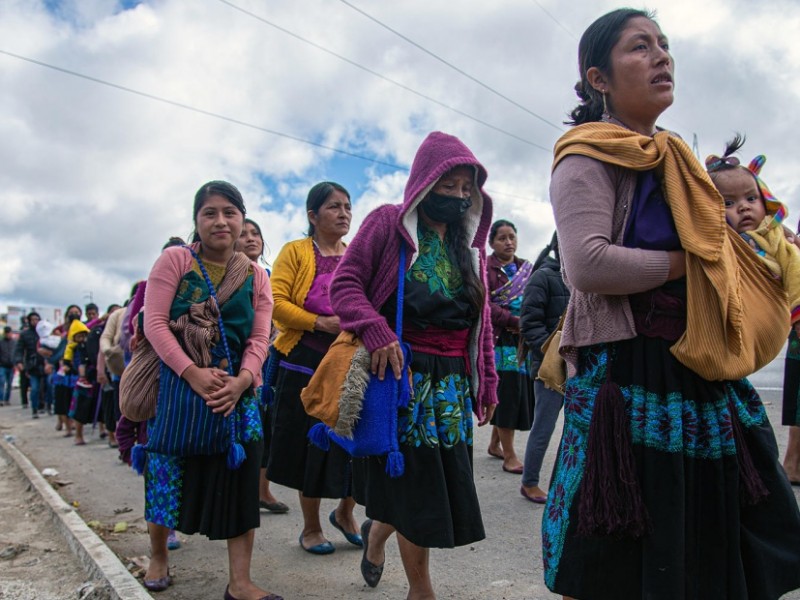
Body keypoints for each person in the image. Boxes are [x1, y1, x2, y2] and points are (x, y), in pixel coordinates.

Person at [542, 9, 800, 600]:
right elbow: (588, 264)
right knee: (627, 548)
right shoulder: (585, 154)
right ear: (598, 78)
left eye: (664, 44)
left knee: (706, 535)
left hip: (694, 365)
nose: (662, 56)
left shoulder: (674, 157)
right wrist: (694, 264)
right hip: (630, 370)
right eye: (640, 47)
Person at [329, 131, 498, 599]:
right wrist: (376, 328)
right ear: (425, 182)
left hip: (452, 390)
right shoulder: (388, 224)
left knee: (432, 491)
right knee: (417, 490)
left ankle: (377, 534)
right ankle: (420, 591)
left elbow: (480, 327)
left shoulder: (469, 249)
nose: (460, 196)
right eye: (450, 185)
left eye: (468, 188)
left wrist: (487, 385)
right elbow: (345, 285)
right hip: (404, 382)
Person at [141, 180, 280, 600]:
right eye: (209, 213)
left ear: (242, 220)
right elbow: (155, 324)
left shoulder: (257, 276)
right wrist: (191, 373)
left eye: (230, 212)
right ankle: (158, 555)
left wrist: (243, 381)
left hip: (238, 395)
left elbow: (260, 337)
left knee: (240, 482)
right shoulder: (175, 260)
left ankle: (239, 583)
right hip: (181, 389)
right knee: (167, 472)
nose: (220, 221)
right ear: (196, 221)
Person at [267, 182, 362, 554]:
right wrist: (321, 323)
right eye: (334, 207)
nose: (343, 213)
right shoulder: (295, 252)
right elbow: (276, 302)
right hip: (304, 362)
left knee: (356, 442)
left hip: (350, 363)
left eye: (347, 206)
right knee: (312, 447)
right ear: (313, 215)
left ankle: (346, 512)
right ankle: (310, 528)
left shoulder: (356, 255)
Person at [235, 218, 288, 515]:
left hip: (270, 362)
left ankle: (261, 490)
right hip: (237, 360)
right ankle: (236, 491)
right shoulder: (227, 276)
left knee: (264, 427)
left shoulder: (268, 276)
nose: (251, 238)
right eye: (244, 234)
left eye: (256, 233)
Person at [519, 232, 569, 504]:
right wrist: (552, 351)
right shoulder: (544, 276)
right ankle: (529, 483)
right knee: (544, 426)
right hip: (549, 368)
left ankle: (565, 482)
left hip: (582, 367)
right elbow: (528, 324)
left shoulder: (583, 276)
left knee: (576, 430)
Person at [485, 219, 535, 473]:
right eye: (502, 238)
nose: (508, 242)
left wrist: (528, 323)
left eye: (512, 237)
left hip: (521, 340)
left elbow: (536, 298)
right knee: (507, 393)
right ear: (491, 242)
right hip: (500, 339)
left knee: (515, 391)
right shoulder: (486, 268)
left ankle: (495, 444)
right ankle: (510, 456)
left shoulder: (526, 268)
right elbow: (483, 303)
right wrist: (512, 320)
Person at [14, 312, 44, 418]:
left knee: (47, 387)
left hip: (45, 364)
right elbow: (19, 349)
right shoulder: (25, 334)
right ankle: (35, 409)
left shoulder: (45, 332)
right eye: (33, 319)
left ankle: (45, 406)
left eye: (37, 319)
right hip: (32, 366)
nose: (35, 322)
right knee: (34, 388)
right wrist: (19, 362)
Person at [0, 326, 14, 406]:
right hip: (2, 365)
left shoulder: (14, 342)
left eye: (10, 333)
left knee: (9, 384)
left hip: (11, 366)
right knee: (1, 382)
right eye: (7, 333)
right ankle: (1, 399)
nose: (9, 335)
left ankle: (7, 399)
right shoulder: (1, 343)